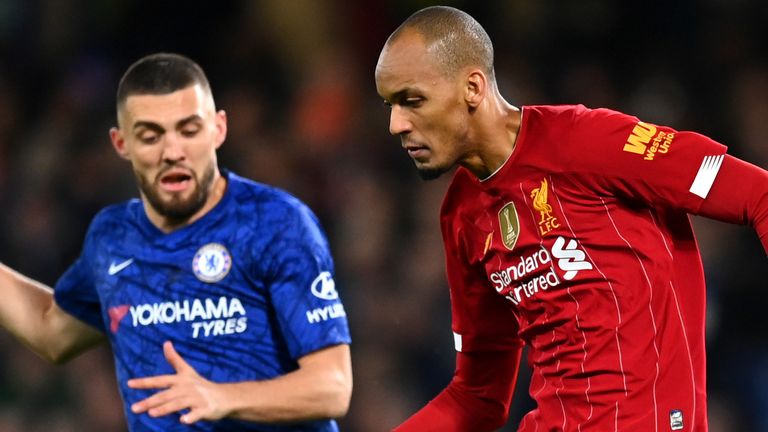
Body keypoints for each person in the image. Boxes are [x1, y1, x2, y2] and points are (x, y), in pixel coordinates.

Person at [375, 6, 768, 432]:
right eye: (389, 105)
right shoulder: (462, 215)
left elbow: (757, 195)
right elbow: (477, 395)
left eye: (412, 101)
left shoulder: (587, 143)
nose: (397, 124)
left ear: (472, 87)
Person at [0, 52, 352, 431]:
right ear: (121, 143)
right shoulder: (114, 238)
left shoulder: (275, 223)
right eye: (150, 136)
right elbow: (52, 331)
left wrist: (221, 397)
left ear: (218, 129)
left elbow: (331, 387)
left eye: (189, 130)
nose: (172, 152)